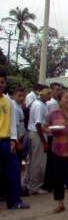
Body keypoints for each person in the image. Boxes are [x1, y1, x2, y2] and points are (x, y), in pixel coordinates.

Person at [0, 70, 30, 209]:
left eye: (2, 82)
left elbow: (12, 122)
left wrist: (13, 140)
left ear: (5, 84)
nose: (0, 85)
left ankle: (14, 201)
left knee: (14, 171)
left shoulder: (8, 101)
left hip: (6, 142)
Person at [27, 88, 52, 195]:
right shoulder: (39, 105)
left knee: (36, 161)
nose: (50, 96)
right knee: (38, 162)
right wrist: (44, 142)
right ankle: (34, 187)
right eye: (48, 94)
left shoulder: (41, 103)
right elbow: (37, 124)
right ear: (43, 95)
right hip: (37, 135)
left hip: (38, 133)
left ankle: (32, 185)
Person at [42, 82, 63, 192]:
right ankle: (49, 184)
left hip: (51, 133)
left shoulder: (53, 102)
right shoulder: (52, 103)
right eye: (57, 89)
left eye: (60, 89)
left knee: (52, 161)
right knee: (51, 161)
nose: (59, 91)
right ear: (52, 90)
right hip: (51, 134)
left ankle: (50, 183)